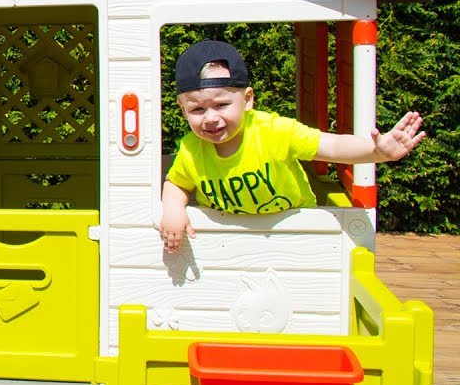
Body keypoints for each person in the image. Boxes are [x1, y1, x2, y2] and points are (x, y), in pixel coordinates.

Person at [159, 39, 424, 254]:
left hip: (298, 234)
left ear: (248, 99)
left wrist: (376, 152)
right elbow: (177, 183)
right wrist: (173, 209)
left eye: (221, 105)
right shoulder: (191, 148)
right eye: (197, 109)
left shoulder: (275, 131)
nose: (211, 118)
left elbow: (331, 145)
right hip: (231, 244)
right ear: (183, 109)